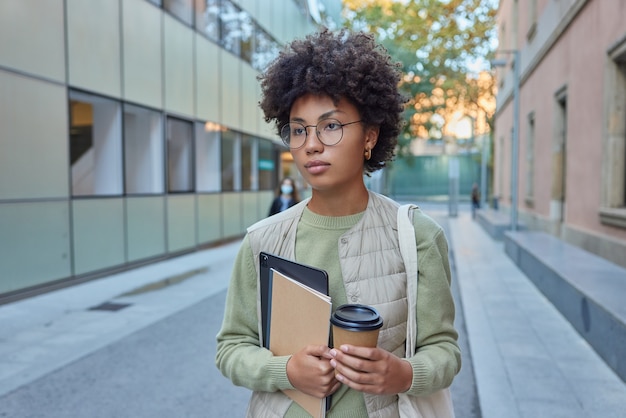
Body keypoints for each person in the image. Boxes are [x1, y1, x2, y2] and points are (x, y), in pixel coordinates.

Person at [216, 29, 460, 417]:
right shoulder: (261, 241)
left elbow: (444, 350)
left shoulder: (418, 237)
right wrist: (286, 370)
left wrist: (403, 374)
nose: (311, 144)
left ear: (370, 136)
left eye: (330, 126)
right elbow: (231, 347)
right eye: (298, 130)